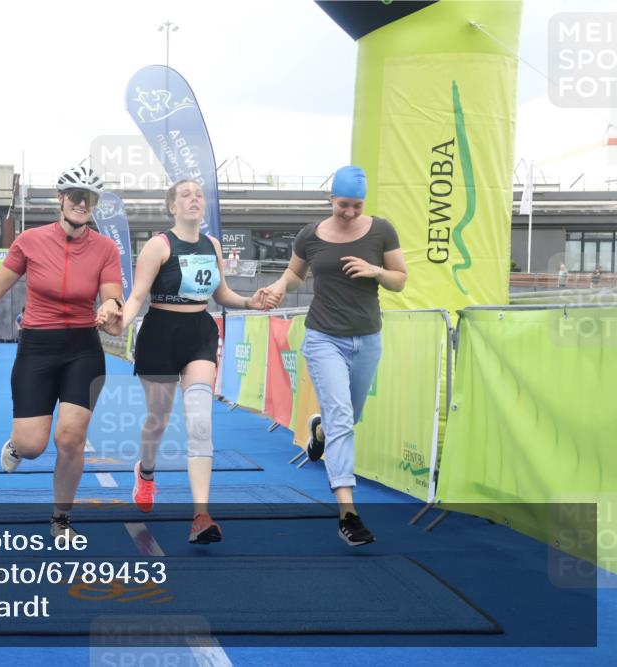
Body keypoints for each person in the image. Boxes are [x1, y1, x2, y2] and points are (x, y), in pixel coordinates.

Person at [0, 166, 123, 539]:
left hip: (84, 348)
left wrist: (111, 308)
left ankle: (61, 518)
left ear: (94, 205)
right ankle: (17, 445)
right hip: (37, 348)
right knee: (34, 445)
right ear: (60, 199)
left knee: (70, 437)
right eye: (75, 195)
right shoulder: (30, 241)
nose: (81, 203)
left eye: (89, 198)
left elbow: (113, 296)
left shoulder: (105, 248)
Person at [100, 179, 271, 544]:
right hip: (161, 335)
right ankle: (145, 473)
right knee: (158, 420)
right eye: (185, 195)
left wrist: (248, 302)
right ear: (172, 207)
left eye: (199, 195)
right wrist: (120, 322)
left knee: (200, 421)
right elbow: (137, 297)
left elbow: (221, 292)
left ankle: (201, 515)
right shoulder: (158, 246)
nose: (194, 199)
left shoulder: (212, 246)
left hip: (199, 333)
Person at [262, 165, 408, 546]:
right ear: (330, 200)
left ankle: (320, 431)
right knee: (343, 415)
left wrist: (374, 270)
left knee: (349, 416)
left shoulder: (382, 230)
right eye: (343, 205)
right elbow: (295, 275)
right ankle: (348, 513)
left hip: (367, 338)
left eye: (357, 206)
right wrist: (279, 286)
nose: (349, 213)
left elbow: (400, 279)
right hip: (323, 337)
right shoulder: (310, 235)